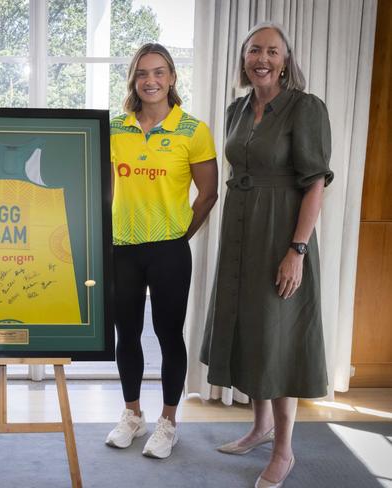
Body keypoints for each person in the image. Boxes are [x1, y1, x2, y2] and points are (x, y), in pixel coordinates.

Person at [200, 22, 333, 488]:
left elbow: (315, 182)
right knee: (249, 328)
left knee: (277, 338)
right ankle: (259, 428)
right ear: (243, 58)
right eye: (254, 50)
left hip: (281, 232)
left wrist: (296, 250)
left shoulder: (305, 107)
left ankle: (284, 451)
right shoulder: (238, 108)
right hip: (240, 232)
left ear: (285, 58)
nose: (262, 58)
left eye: (272, 51)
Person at [106, 43, 218, 459]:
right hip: (122, 249)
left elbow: (208, 194)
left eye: (158, 73)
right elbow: (103, 190)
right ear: (134, 80)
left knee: (169, 335)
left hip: (169, 250)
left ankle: (167, 422)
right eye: (142, 73)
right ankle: (132, 415)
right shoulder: (115, 128)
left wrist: (177, 237)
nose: (150, 81)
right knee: (127, 334)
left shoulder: (192, 130)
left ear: (171, 77)